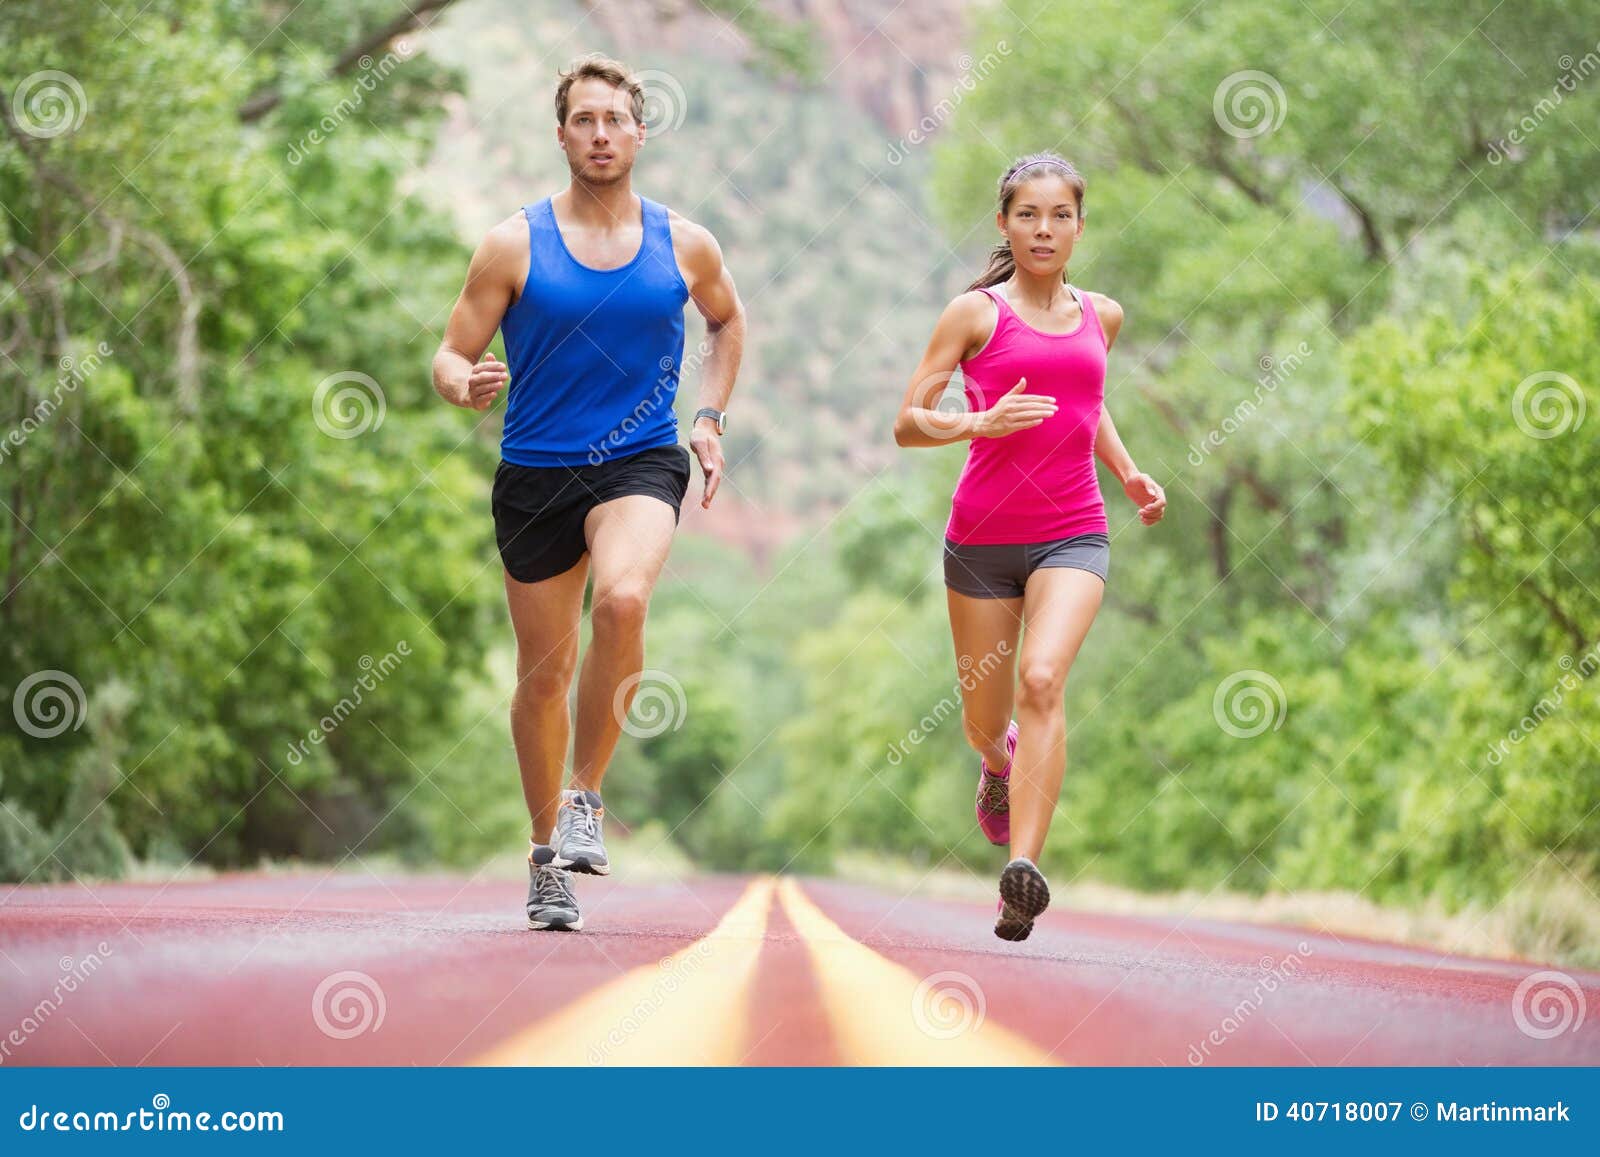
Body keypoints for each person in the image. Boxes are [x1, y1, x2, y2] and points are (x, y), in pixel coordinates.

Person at [431, 55, 745, 932]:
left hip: (640, 461)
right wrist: (461, 382)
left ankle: (586, 798)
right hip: (535, 471)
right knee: (543, 676)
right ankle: (544, 858)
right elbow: (450, 350)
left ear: (640, 132)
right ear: (561, 133)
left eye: (615, 119)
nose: (600, 135)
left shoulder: (685, 243)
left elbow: (726, 320)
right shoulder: (511, 244)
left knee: (625, 598)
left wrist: (710, 415)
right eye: (584, 121)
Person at [893, 152, 1166, 941]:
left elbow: (1089, 401)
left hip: (1074, 531)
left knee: (1043, 679)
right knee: (987, 721)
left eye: (1061, 215)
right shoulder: (974, 314)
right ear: (1006, 223)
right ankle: (997, 766)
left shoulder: (1101, 316)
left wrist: (1131, 472)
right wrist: (972, 421)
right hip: (981, 539)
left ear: (1080, 226)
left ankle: (1024, 873)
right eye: (1028, 215)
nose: (1044, 229)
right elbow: (908, 422)